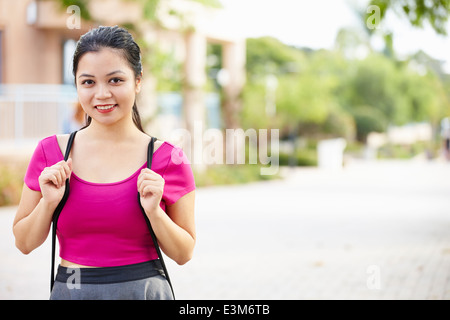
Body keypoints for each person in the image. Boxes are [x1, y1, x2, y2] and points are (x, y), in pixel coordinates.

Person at [12, 26, 196, 300]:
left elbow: (183, 253)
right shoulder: (51, 152)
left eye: (115, 80)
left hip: (142, 292)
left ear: (137, 81)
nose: (102, 94)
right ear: (76, 84)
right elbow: (24, 243)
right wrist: (48, 202)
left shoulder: (168, 158)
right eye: (88, 82)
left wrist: (155, 212)